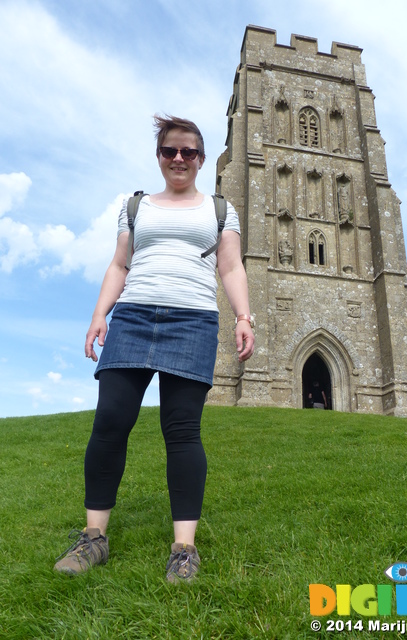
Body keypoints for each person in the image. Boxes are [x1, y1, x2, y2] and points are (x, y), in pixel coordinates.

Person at [54, 115, 255, 582]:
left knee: (182, 431)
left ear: (202, 159)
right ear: (159, 157)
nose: (179, 159)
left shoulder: (221, 210)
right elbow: (119, 264)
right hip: (134, 316)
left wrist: (244, 317)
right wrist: (99, 314)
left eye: (188, 152)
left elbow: (231, 268)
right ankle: (93, 539)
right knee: (110, 422)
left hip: (194, 320)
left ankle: (183, 549)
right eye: (170, 151)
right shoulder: (136, 206)